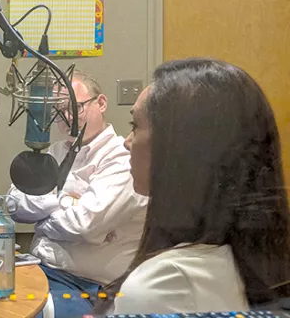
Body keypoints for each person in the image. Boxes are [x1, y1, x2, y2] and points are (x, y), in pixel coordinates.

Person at [103, 58, 290, 314]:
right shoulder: (258, 258)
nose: (127, 142)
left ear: (183, 149)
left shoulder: (164, 286)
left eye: (135, 126)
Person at [7, 71, 148, 317]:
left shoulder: (122, 157)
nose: (67, 118)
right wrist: (65, 202)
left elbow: (84, 226)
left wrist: (41, 217)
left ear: (101, 103)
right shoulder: (55, 151)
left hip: (88, 285)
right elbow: (14, 201)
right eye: (58, 112)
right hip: (39, 268)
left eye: (75, 107)